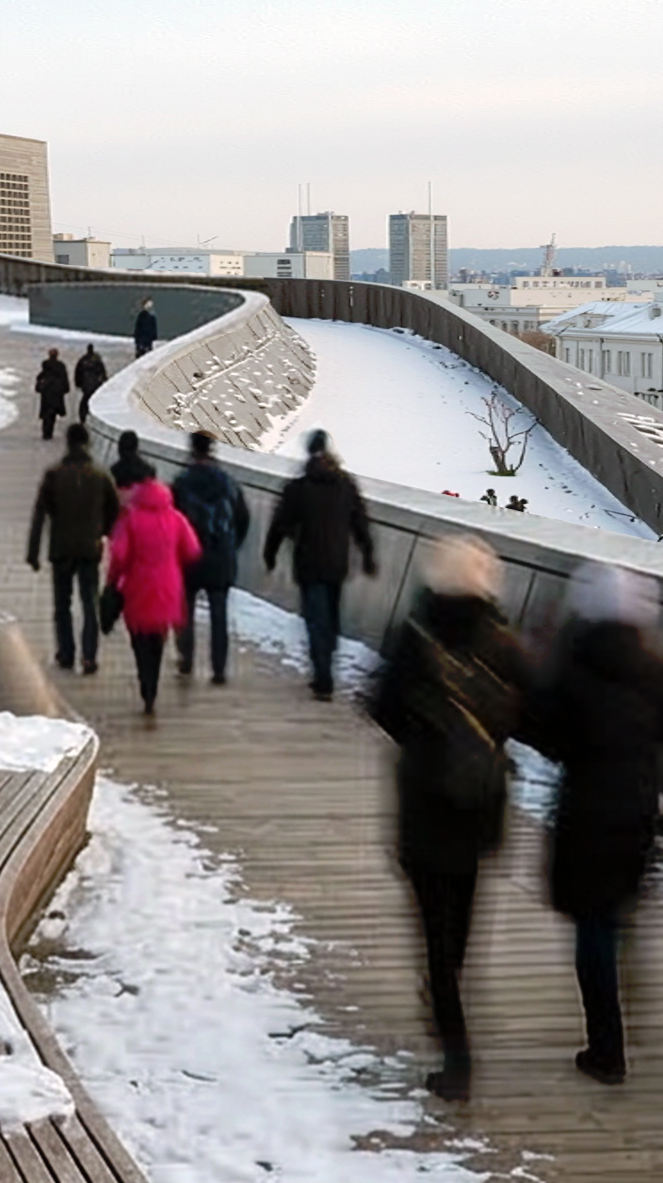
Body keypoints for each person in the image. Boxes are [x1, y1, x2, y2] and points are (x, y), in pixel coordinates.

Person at [369, 536, 526, 1101]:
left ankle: (456, 1053)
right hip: (480, 806)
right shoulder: (504, 641)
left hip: (425, 804)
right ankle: (449, 996)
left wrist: (425, 744)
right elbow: (522, 712)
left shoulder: (415, 637)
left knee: (432, 927)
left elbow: (380, 706)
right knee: (460, 920)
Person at [522, 563, 663, 1086]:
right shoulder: (657, 668)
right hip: (637, 811)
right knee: (614, 912)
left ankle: (607, 1049)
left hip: (586, 813)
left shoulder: (575, 665)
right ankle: (624, 993)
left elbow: (545, 732)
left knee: (593, 929)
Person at [261, 428, 379, 699]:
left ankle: (323, 676)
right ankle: (327, 662)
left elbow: (279, 525)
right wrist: (368, 555)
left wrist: (270, 553)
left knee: (316, 620)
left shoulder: (298, 488)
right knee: (331, 619)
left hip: (308, 564)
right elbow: (360, 524)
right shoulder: (346, 484)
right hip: (337, 563)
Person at [27, 424, 122, 675]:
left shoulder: (54, 474)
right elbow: (115, 512)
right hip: (90, 550)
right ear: (88, 443)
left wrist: (33, 552)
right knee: (89, 603)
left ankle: (66, 654)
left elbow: (40, 515)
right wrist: (104, 534)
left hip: (61, 549)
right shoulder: (100, 475)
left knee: (62, 604)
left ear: (68, 444)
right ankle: (89, 656)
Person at [103, 475, 200, 714]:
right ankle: (152, 687)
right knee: (158, 638)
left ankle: (145, 683)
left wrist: (112, 581)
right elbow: (192, 550)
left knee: (139, 640)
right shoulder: (176, 518)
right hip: (168, 585)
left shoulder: (131, 519)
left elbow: (120, 555)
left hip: (137, 586)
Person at [170, 430, 250, 685]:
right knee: (219, 614)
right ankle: (218, 669)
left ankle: (186, 659)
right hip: (220, 555)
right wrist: (230, 545)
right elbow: (243, 518)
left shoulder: (181, 482)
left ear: (192, 450)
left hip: (189, 557)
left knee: (186, 611)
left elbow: (171, 519)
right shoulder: (227, 482)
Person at [34, 349, 71, 441]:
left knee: (46, 412)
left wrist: (38, 387)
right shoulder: (61, 366)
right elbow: (64, 377)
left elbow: (40, 377)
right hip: (57, 392)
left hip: (46, 392)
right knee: (53, 413)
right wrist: (66, 388)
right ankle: (49, 431)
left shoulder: (45, 365)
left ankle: (46, 432)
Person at [73, 344, 109, 423]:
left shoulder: (83, 360)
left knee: (84, 401)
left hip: (86, 385)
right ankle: (90, 415)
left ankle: (83, 416)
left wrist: (78, 383)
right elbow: (102, 372)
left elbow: (78, 372)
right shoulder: (97, 360)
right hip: (95, 385)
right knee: (92, 401)